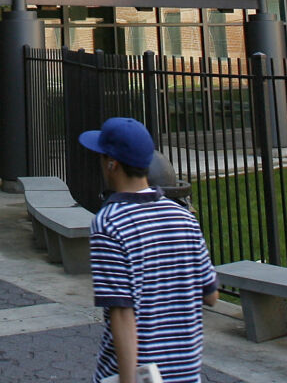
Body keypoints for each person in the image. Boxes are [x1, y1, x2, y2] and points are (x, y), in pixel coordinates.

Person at [80, 116, 218, 383]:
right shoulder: (183, 217)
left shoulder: (109, 223)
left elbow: (122, 312)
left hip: (139, 374)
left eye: (102, 156)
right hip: (186, 373)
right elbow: (211, 294)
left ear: (112, 164)